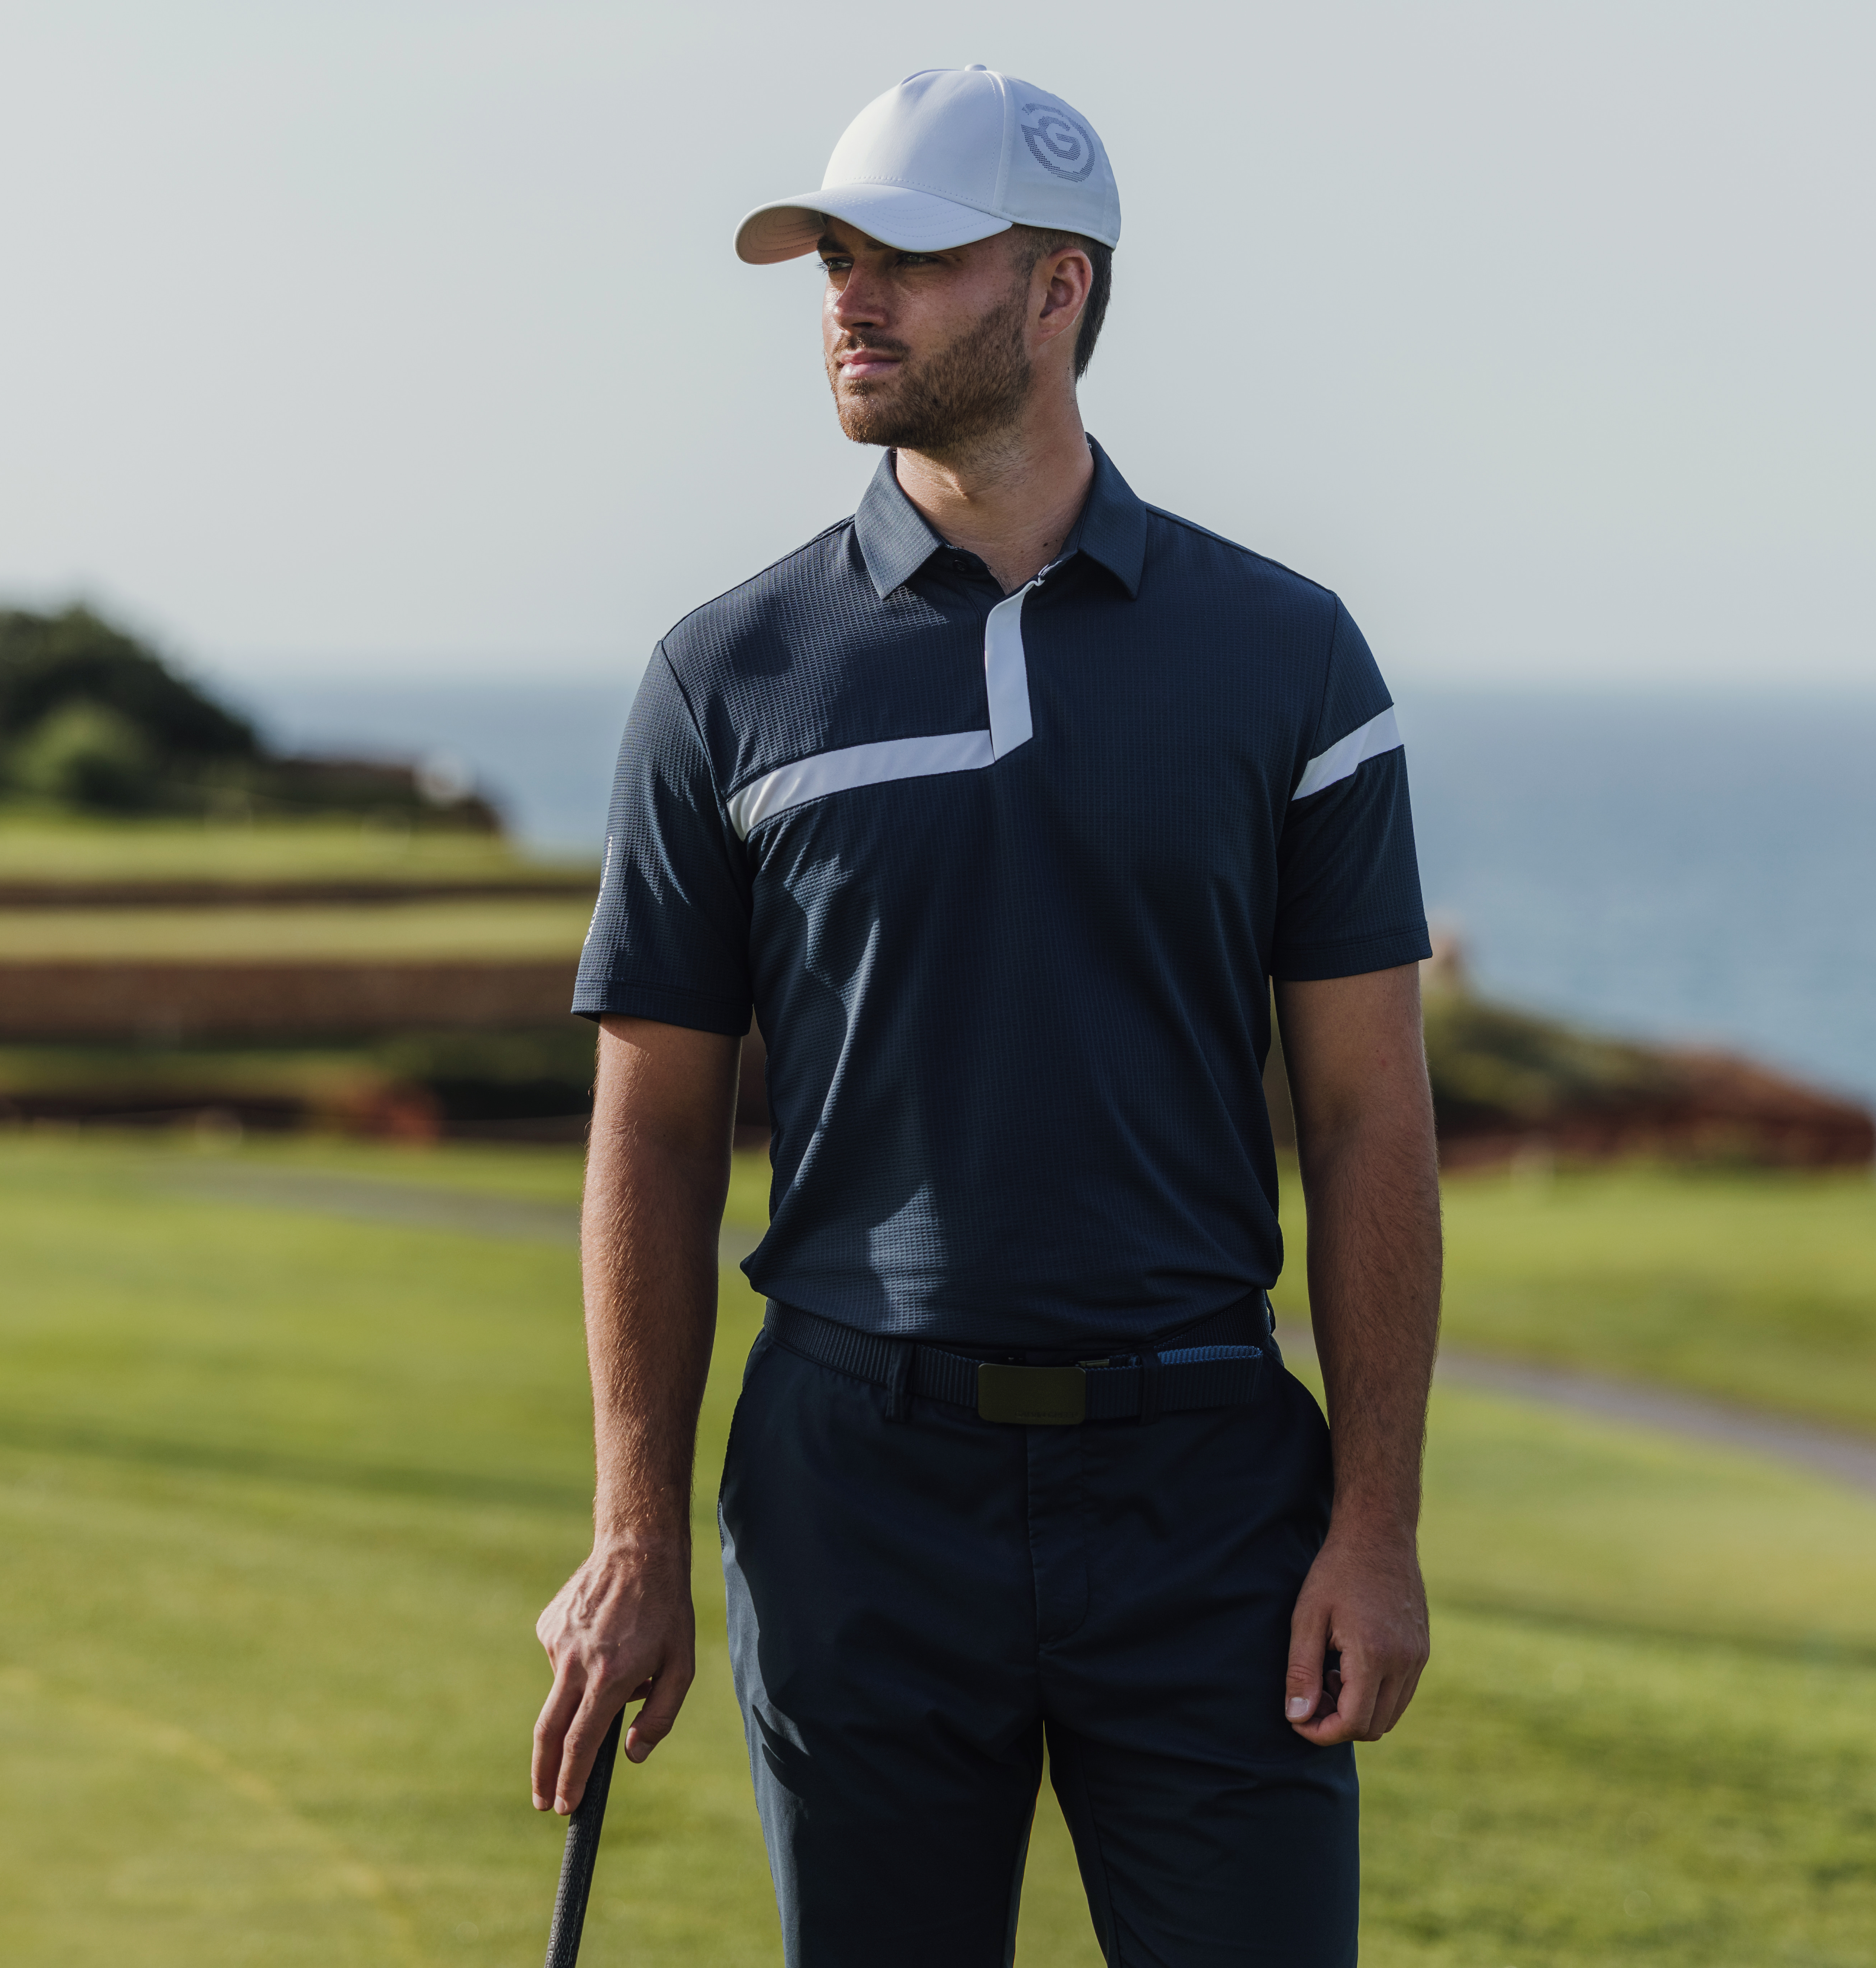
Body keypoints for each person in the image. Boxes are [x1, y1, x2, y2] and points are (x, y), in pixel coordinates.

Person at [528, 64, 1442, 1966]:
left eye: (909, 261)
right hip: (856, 1490)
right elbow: (656, 1127)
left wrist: (1376, 1523)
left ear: (1057, 291)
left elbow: (1368, 1113)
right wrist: (632, 1529)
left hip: (1205, 1494)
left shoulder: (1291, 658)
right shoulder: (728, 674)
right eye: (835, 256)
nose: (852, 297)